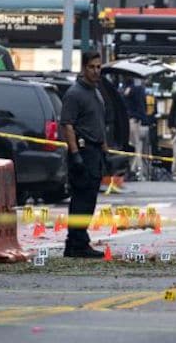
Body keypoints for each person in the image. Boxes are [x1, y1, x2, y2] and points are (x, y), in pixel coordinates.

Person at [60, 51, 108, 258]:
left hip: (95, 151)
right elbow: (67, 125)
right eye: (92, 67)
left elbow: (98, 123)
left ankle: (75, 242)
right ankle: (78, 244)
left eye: (99, 67)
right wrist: (76, 154)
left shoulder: (96, 92)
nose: (96, 71)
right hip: (83, 150)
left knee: (88, 199)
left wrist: (105, 151)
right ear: (84, 68)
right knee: (81, 199)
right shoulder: (75, 93)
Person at [123, 75, 149, 180]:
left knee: (133, 146)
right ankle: (138, 171)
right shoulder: (138, 90)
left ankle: (134, 170)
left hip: (129, 120)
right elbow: (141, 106)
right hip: (136, 120)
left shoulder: (126, 90)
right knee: (138, 147)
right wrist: (144, 119)